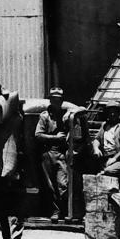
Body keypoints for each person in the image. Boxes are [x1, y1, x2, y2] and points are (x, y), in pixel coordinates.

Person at [33, 87, 74, 223]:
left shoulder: (66, 114)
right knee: (50, 186)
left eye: (59, 99)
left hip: (62, 153)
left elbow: (80, 112)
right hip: (48, 152)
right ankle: (55, 211)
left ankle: (65, 211)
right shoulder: (45, 116)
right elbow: (38, 135)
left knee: (63, 185)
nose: (57, 102)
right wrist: (56, 138)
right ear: (50, 100)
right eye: (54, 99)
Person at [93, 105, 120, 176]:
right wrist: (96, 149)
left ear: (119, 113)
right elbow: (97, 139)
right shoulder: (105, 125)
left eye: (115, 112)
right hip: (105, 157)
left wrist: (114, 158)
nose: (112, 114)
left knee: (108, 171)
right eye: (110, 112)